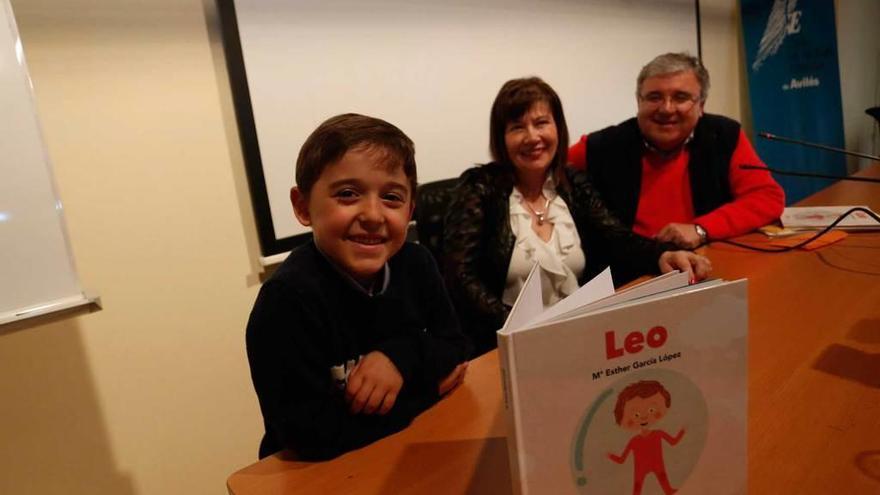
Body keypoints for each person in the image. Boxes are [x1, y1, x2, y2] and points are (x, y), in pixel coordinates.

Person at [246, 113, 471, 460]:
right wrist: (426, 391)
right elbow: (310, 434)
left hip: (407, 451)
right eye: (348, 194)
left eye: (392, 198)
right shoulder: (286, 302)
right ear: (302, 206)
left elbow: (454, 348)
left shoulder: (417, 263)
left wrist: (399, 356)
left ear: (411, 208)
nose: (373, 215)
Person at [443, 77, 711, 355]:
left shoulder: (572, 182)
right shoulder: (478, 188)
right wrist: (519, 326)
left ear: (558, 128)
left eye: (541, 123)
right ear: (501, 138)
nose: (532, 137)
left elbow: (616, 237)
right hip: (504, 347)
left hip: (580, 339)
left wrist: (662, 254)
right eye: (517, 127)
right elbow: (459, 278)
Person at [568, 52, 785, 249]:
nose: (667, 109)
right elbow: (545, 170)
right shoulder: (601, 147)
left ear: (701, 105)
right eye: (654, 97)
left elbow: (767, 197)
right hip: (631, 274)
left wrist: (702, 229)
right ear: (638, 101)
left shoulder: (723, 136)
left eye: (680, 98)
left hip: (707, 260)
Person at [608, 380, 685, 495]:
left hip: (657, 464)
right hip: (641, 467)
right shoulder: (634, 441)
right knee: (637, 487)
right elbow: (621, 459)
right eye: (636, 415)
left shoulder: (657, 434)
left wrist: (683, 431)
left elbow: (673, 442)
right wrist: (609, 456)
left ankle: (669, 491)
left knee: (664, 483)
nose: (643, 417)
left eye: (651, 410)